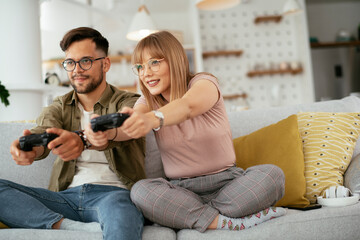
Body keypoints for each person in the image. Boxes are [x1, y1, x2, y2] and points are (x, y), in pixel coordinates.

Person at [85, 31, 286, 233]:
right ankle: (228, 221)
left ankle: (197, 217)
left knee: (272, 175)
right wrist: (105, 132)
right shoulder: (147, 101)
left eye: (154, 63)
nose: (145, 73)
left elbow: (188, 106)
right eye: (139, 67)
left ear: (175, 60)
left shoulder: (204, 83)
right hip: (181, 192)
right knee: (141, 192)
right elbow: (127, 127)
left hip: (228, 183)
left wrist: (153, 118)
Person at [0, 27, 145, 240]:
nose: (76, 69)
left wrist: (87, 139)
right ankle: (65, 226)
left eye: (85, 61)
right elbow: (44, 132)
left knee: (122, 214)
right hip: (64, 198)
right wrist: (30, 148)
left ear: (105, 64)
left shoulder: (128, 101)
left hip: (114, 195)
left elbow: (127, 123)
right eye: (70, 63)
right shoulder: (59, 106)